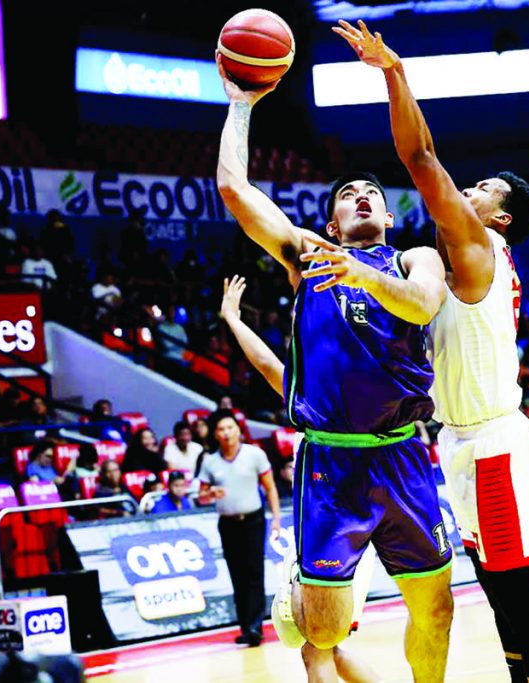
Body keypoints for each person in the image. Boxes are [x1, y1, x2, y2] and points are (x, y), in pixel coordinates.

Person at [334, 19, 529, 682]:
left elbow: (421, 160)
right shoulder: (453, 258)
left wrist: (394, 72)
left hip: (493, 442)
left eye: (488, 187)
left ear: (501, 217)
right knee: (497, 593)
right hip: (458, 443)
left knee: (519, 589)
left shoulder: (480, 245)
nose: (473, 188)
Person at [217, 58, 452, 682]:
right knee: (319, 631)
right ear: (331, 224)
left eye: (371, 192)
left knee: (436, 608)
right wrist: (241, 103)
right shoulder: (311, 257)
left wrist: (361, 273)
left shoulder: (414, 257)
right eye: (347, 195)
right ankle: (301, 589)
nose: (361, 196)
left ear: (390, 214)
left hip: (403, 456)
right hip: (329, 463)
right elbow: (235, 192)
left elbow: (425, 302)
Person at [220, 275, 380, 681]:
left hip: (337, 535)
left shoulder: (325, 398)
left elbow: (266, 364)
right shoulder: (348, 395)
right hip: (345, 533)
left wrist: (234, 321)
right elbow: (269, 364)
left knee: (317, 650)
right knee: (326, 647)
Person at [197, 410, 281, 647]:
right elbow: (201, 497)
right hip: (228, 523)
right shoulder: (210, 461)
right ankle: (245, 626)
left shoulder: (254, 454)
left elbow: (270, 487)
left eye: (230, 427)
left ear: (238, 429)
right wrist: (210, 493)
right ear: (215, 434)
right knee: (237, 575)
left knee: (254, 572)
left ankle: (256, 627)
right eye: (221, 429)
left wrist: (275, 519)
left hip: (253, 520)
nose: (226, 433)